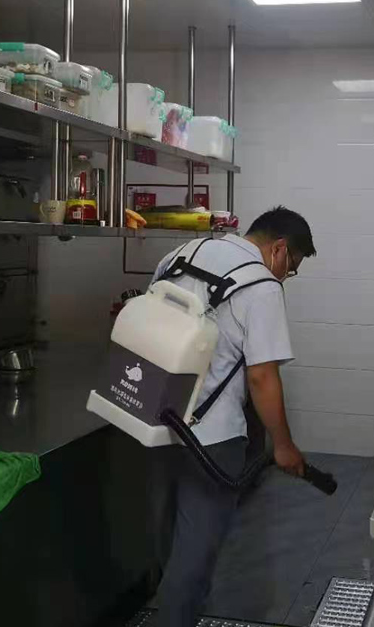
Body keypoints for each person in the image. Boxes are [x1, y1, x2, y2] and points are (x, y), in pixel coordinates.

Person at [153, 206, 316, 627]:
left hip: (153, 422)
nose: (287, 276)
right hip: (211, 438)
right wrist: (283, 445)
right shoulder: (261, 285)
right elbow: (262, 376)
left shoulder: (181, 254)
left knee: (168, 537)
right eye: (292, 266)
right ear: (279, 249)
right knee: (195, 551)